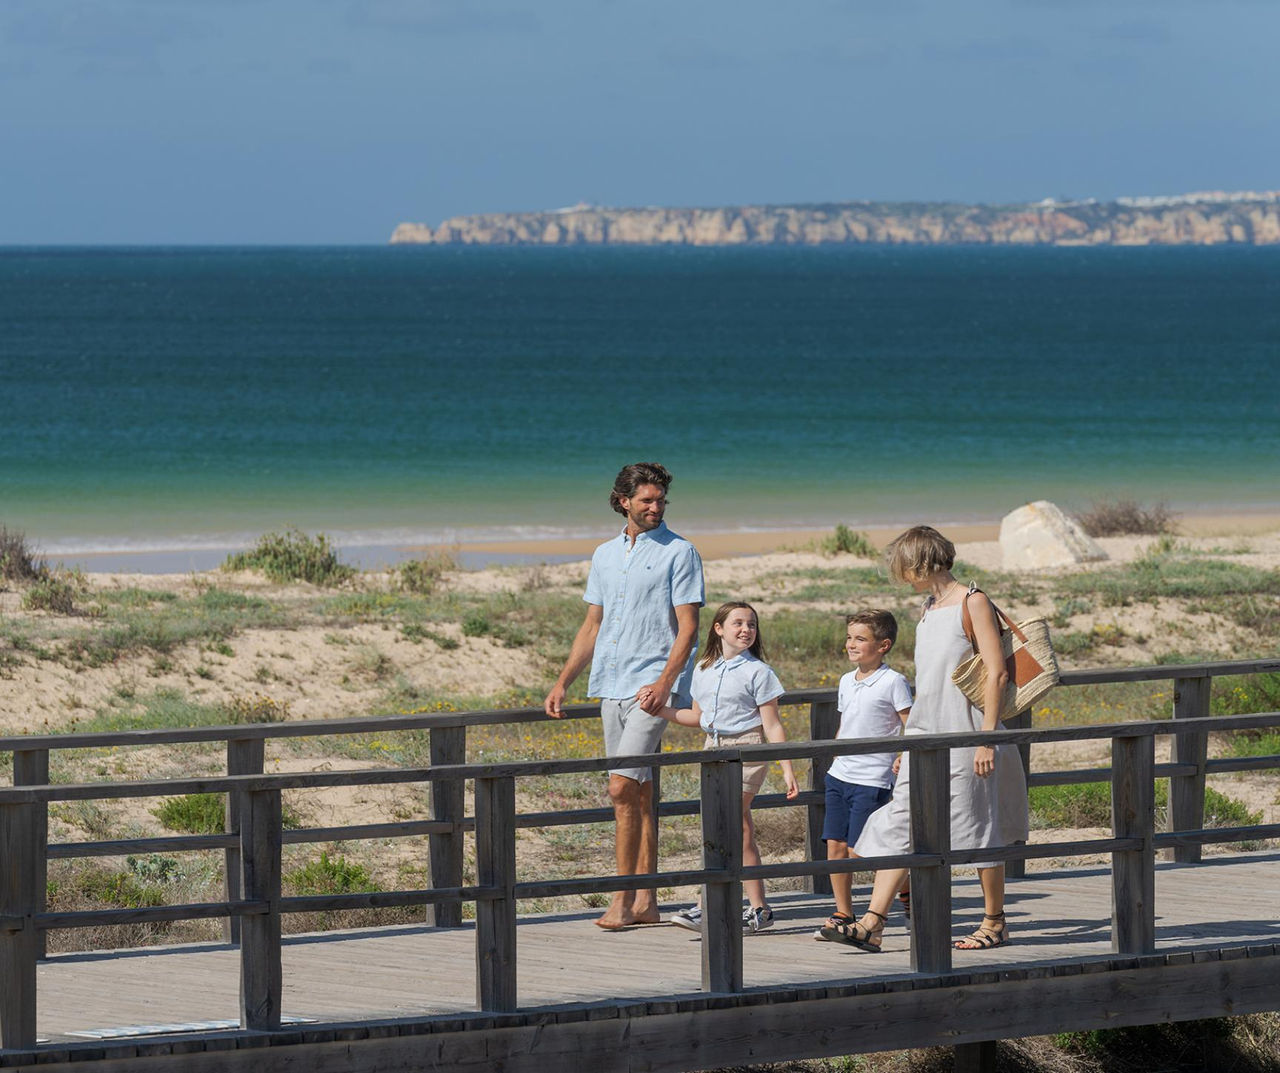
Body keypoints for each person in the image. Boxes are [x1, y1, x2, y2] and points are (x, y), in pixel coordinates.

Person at [827, 526, 1028, 952]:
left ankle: (995, 922)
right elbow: (929, 684)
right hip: (925, 737)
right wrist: (909, 741)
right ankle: (872, 923)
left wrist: (987, 740)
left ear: (920, 561)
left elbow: (996, 672)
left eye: (903, 564)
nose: (900, 573)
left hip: (968, 733)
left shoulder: (973, 601)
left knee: (979, 826)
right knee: (903, 822)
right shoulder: (928, 607)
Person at [544, 463, 705, 930]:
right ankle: (647, 902)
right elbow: (592, 625)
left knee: (619, 788)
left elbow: (689, 629)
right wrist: (563, 681)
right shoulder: (604, 555)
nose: (656, 507)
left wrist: (665, 684)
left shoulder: (680, 552)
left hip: (652, 689)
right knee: (638, 790)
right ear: (623, 502)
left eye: (661, 501)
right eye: (647, 500)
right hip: (609, 685)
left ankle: (621, 899)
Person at [656, 602, 800, 934]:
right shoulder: (703, 668)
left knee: (729, 823)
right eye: (738, 623)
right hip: (713, 747)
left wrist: (787, 768)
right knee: (737, 826)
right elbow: (698, 717)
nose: (746, 630)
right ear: (719, 629)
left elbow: (772, 725)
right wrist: (659, 710)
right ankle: (758, 909)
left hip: (748, 748)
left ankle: (708, 905)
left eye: (751, 624)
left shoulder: (759, 672)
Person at [815, 610, 912, 942]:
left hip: (872, 778)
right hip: (840, 774)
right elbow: (846, 724)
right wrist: (835, 755)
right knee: (835, 845)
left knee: (863, 850)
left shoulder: (893, 681)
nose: (851, 644)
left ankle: (906, 889)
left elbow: (911, 723)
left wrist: (903, 755)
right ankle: (843, 912)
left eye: (860, 638)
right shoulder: (846, 680)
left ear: (883, 645)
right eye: (849, 637)